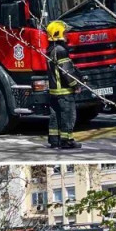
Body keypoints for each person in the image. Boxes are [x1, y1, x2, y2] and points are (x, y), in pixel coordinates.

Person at [46, 20, 82, 149]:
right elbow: (67, 71)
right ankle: (67, 141)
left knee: (55, 116)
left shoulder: (51, 49)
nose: (67, 35)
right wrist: (76, 85)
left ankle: (54, 140)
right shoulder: (61, 50)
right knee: (68, 116)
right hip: (64, 92)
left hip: (54, 92)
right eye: (65, 32)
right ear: (59, 33)